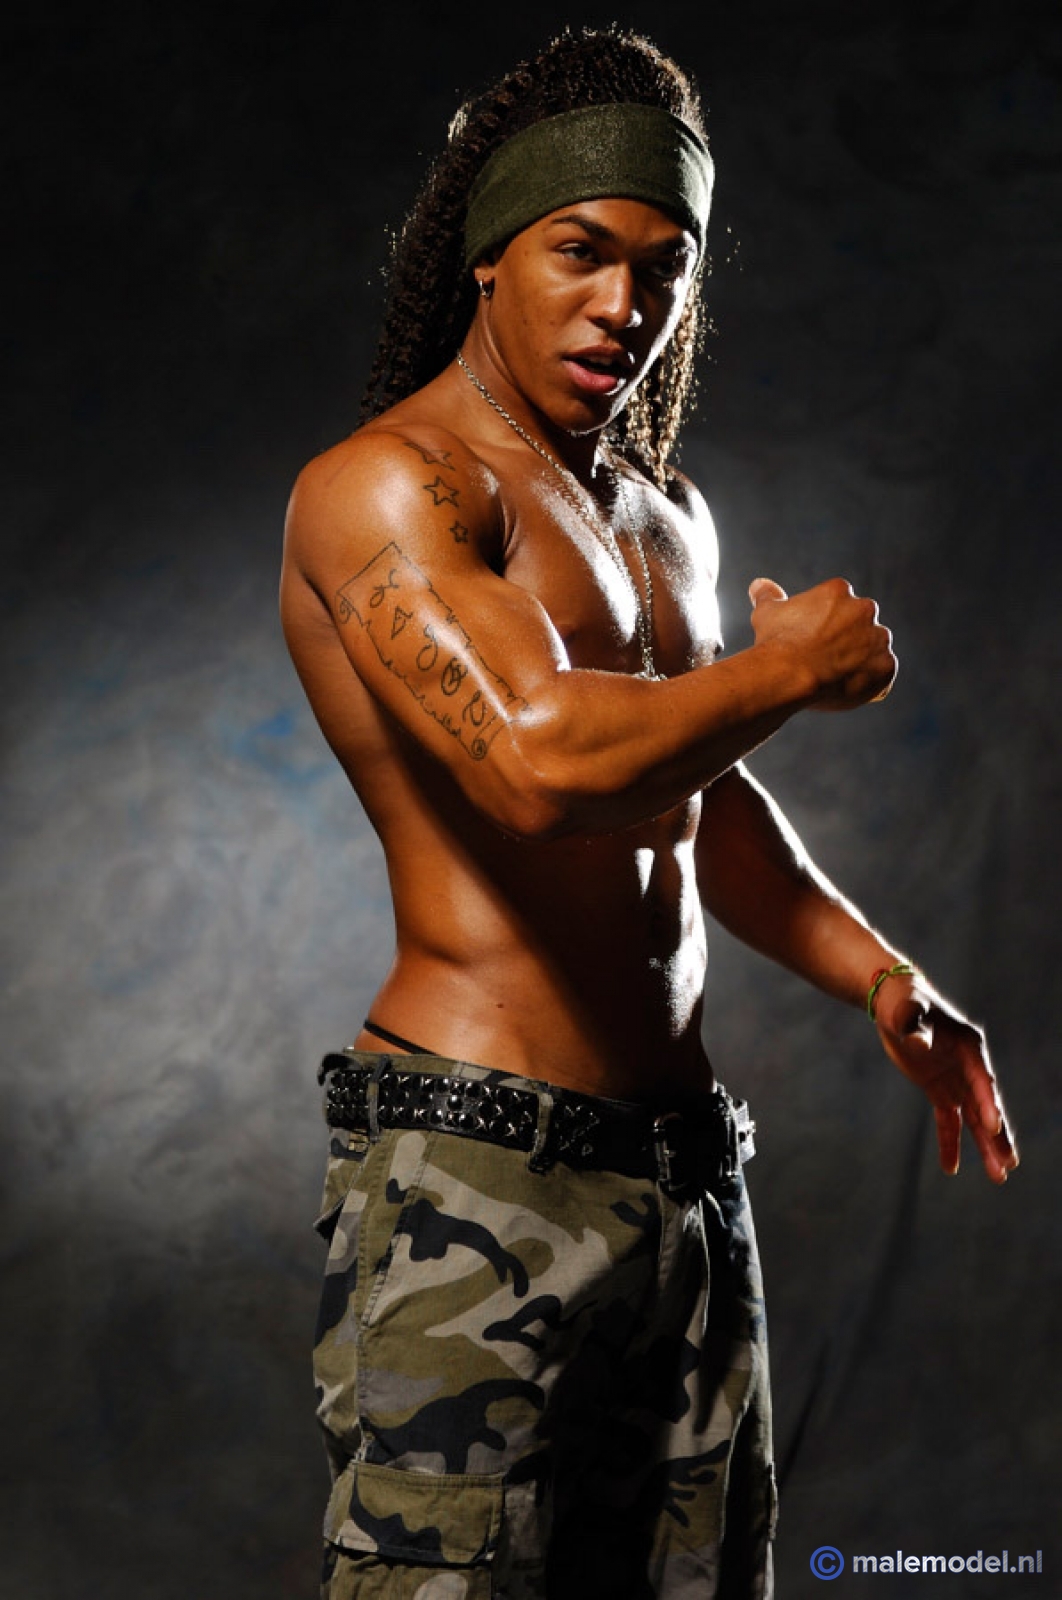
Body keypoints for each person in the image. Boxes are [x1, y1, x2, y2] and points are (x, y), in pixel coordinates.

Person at [280, 27, 1018, 1600]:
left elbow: (690, 789)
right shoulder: (390, 487)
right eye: (581, 252)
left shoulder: (662, 516)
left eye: (662, 268)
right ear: (489, 252)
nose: (625, 305)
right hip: (472, 1171)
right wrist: (785, 670)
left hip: (682, 1175)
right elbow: (538, 767)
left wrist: (878, 977)